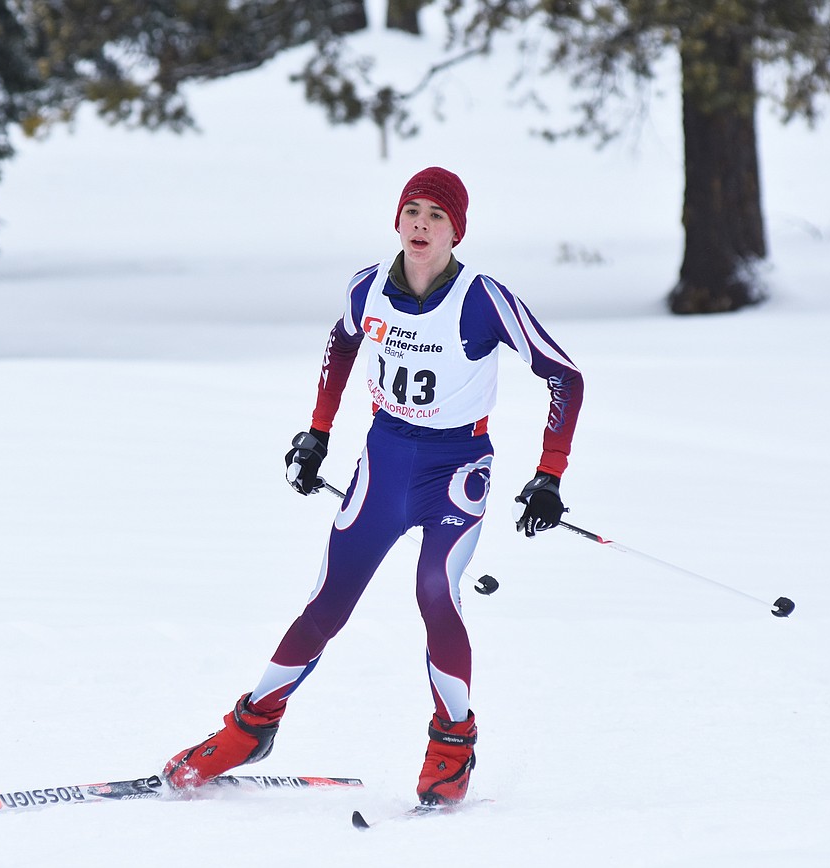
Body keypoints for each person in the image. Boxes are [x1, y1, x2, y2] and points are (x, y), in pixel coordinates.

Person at [162, 167, 584, 806]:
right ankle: (252, 727)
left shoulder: (481, 298)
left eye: (437, 216)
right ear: (397, 219)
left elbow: (565, 376)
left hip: (455, 467)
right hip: (383, 460)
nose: (421, 223)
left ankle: (452, 743)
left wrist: (549, 474)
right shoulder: (367, 289)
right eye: (412, 210)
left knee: (435, 592)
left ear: (456, 231)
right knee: (329, 599)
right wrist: (317, 434)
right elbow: (341, 342)